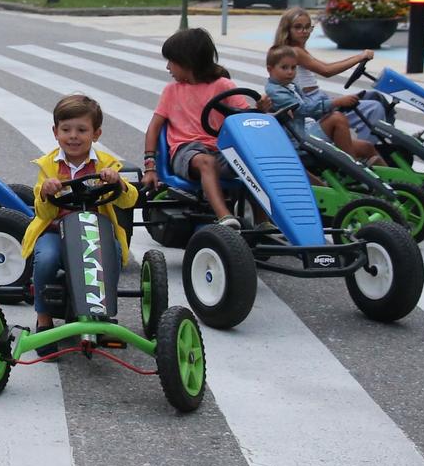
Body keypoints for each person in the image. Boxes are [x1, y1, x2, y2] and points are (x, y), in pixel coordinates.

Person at [22, 95, 138, 333]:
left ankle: (100, 311)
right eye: (66, 129)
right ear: (56, 132)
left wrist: (120, 183)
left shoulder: (106, 164)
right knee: (45, 259)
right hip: (56, 229)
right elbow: (42, 211)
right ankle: (43, 316)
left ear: (96, 134)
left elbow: (129, 200)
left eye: (82, 130)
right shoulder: (50, 166)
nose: (73, 136)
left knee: (112, 252)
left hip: (94, 231)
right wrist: (45, 192)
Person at [140, 27, 252, 228]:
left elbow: (244, 117)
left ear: (187, 62)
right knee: (206, 162)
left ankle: (262, 223)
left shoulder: (223, 85)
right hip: (186, 151)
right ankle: (225, 217)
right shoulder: (172, 91)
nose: (168, 68)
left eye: (171, 62)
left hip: (220, 150)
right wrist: (150, 166)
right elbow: (154, 128)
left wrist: (261, 110)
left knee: (254, 162)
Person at [271, 6, 378, 140]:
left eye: (307, 27)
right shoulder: (294, 52)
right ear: (287, 30)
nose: (304, 31)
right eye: (298, 27)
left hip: (317, 99)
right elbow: (327, 70)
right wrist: (360, 57)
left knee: (372, 97)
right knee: (375, 107)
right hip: (313, 102)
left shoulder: (296, 50)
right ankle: (369, 149)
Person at [265, 47, 378, 161]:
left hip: (307, 129)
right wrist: (335, 102)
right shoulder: (275, 91)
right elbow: (303, 109)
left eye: (293, 68)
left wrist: (334, 105)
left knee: (366, 147)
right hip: (298, 140)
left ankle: (388, 178)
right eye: (284, 68)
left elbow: (309, 103)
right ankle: (353, 168)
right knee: (337, 119)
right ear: (270, 69)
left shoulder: (291, 85)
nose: (290, 72)